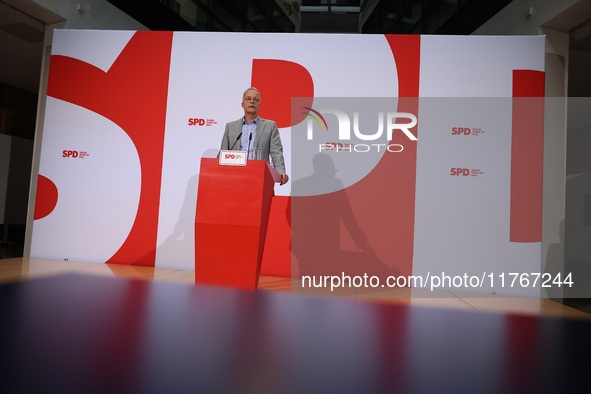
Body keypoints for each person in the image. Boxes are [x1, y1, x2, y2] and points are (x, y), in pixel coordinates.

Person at [219, 87, 289, 185]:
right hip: (235, 177)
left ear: (259, 105)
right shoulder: (230, 127)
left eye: (255, 100)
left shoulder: (270, 126)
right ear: (242, 104)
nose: (252, 101)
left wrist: (280, 171)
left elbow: (276, 152)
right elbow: (223, 153)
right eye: (248, 99)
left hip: (260, 177)